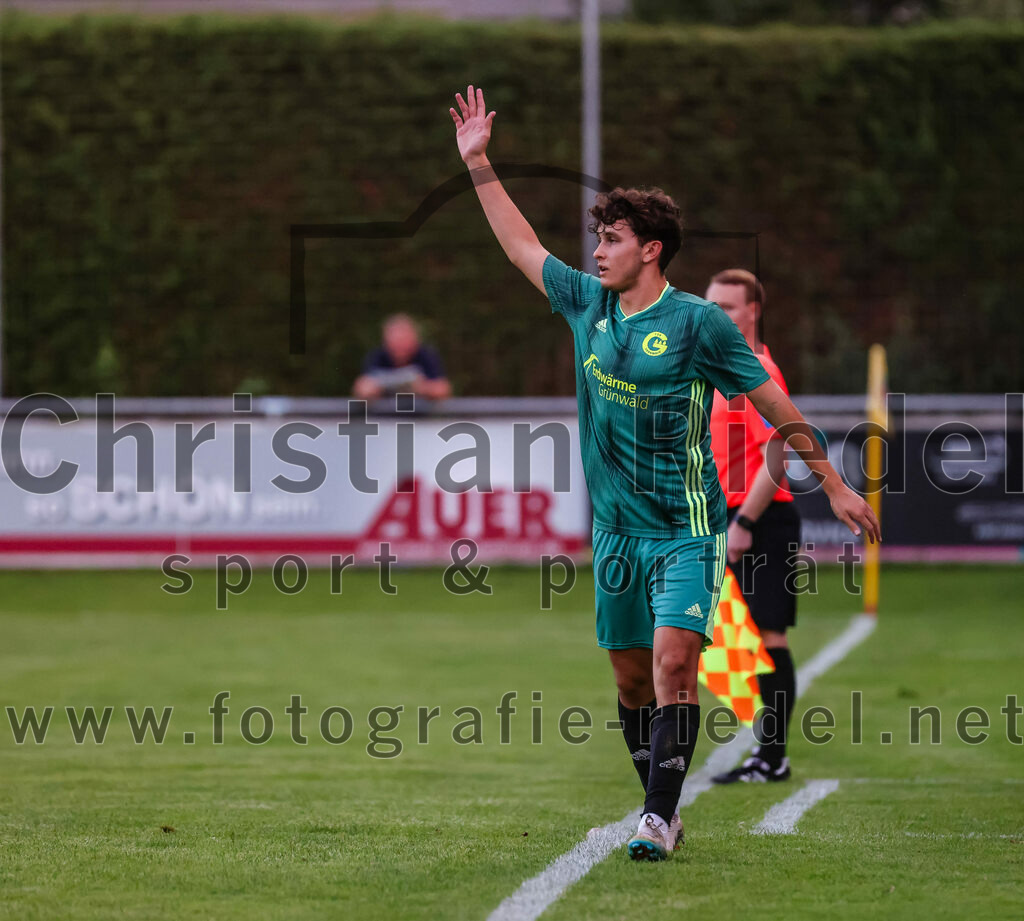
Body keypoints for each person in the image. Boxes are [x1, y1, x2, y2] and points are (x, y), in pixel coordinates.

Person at [449, 86, 879, 862]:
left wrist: (838, 484)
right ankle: (665, 802)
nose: (598, 251)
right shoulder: (587, 305)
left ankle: (654, 817)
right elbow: (519, 247)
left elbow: (775, 402)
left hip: (686, 530)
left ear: (650, 248)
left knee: (675, 663)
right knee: (629, 679)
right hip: (614, 532)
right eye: (597, 239)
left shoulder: (697, 324)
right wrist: (479, 164)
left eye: (611, 239)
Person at [706, 269, 800, 784]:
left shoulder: (758, 369)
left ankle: (773, 757)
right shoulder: (720, 372)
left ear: (752, 312)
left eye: (727, 307)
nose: (715, 315)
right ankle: (760, 746)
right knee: (723, 640)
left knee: (767, 637)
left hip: (761, 520)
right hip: (724, 517)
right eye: (710, 305)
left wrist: (743, 522)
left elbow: (777, 457)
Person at [352, 313, 452, 401]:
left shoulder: (426, 355)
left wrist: (422, 388)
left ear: (414, 340)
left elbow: (443, 389)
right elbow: (361, 389)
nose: (399, 346)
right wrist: (378, 388)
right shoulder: (376, 356)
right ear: (386, 342)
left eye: (403, 341)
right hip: (384, 420)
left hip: (420, 420)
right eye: (395, 342)